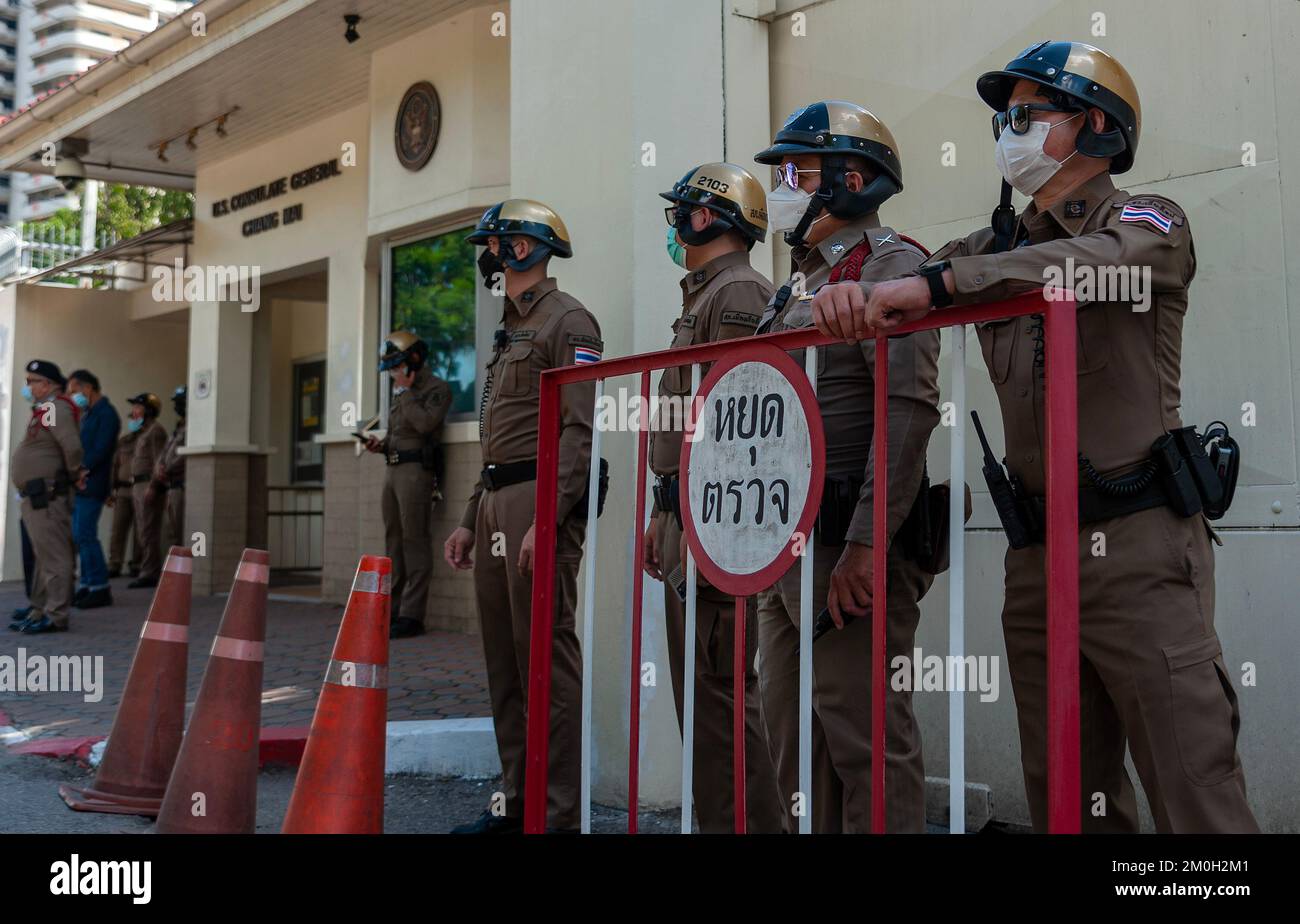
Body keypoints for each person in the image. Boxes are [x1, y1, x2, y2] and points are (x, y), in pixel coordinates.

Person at [810, 42, 1259, 833]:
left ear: (1094, 127)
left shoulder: (1148, 222)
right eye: (1000, 119)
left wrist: (938, 285)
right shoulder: (990, 249)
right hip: (1037, 558)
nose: (1004, 133)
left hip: (1140, 552)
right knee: (1067, 796)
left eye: (1024, 116)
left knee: (1196, 795)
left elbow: (1082, 263)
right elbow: (908, 280)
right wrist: (847, 295)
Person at [749, 101, 941, 833]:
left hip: (844, 545)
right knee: (793, 737)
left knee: (864, 738)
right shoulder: (795, 284)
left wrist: (865, 545)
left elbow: (909, 410)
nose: (783, 190)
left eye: (795, 173)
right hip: (784, 541)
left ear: (850, 180)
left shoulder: (892, 263)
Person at [444, 199, 600, 834]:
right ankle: (516, 802)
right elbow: (497, 437)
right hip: (496, 502)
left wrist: (549, 519)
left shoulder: (571, 323)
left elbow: (579, 434)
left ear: (529, 246)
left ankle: (557, 816)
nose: (492, 254)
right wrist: (466, 518)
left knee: (546, 662)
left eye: (502, 242)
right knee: (505, 663)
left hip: (540, 503)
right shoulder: (508, 326)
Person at [640, 162, 782, 833]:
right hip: (685, 516)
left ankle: (748, 826)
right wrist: (660, 510)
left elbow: (737, 425)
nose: (674, 224)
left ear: (707, 218)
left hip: (717, 522)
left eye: (682, 212)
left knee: (721, 692)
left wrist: (691, 517)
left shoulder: (739, 295)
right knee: (700, 696)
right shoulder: (702, 297)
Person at [364, 333, 452, 639]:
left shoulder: (435, 388)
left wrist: (406, 392)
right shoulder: (402, 392)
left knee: (414, 539)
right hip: (393, 468)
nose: (393, 373)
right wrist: (381, 444)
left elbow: (426, 424)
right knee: (394, 540)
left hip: (416, 471)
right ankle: (393, 610)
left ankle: (412, 615)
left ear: (413, 361)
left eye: (397, 366)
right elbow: (399, 433)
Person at [9, 360, 84, 634]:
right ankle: (41, 608)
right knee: (43, 557)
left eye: (32, 381)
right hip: (36, 496)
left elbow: (72, 447)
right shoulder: (44, 410)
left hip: (48, 496)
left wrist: (74, 474)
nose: (28, 386)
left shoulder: (55, 408)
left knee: (55, 557)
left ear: (48, 385)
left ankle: (56, 615)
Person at [66, 370, 121, 610]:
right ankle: (87, 584)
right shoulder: (88, 414)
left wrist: (82, 469)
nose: (72, 396)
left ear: (87, 388)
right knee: (80, 535)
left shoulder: (107, 414)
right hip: (81, 483)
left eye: (74, 391)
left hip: (93, 482)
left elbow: (102, 449)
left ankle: (100, 587)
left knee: (86, 534)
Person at [125, 393, 167, 590]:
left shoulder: (156, 431)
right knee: (142, 529)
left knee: (148, 530)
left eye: (137, 407)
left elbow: (159, 461)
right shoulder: (144, 432)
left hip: (147, 485)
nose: (133, 412)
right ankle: (145, 567)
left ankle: (150, 571)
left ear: (149, 410)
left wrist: (153, 486)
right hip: (137, 485)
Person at [106, 425, 141, 579]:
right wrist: (110, 488)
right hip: (123, 489)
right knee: (118, 529)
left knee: (141, 530)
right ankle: (115, 563)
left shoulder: (152, 436)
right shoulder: (124, 441)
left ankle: (137, 564)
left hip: (141, 487)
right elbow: (115, 464)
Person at [155, 386, 187, 549]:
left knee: (181, 532)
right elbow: (166, 451)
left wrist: (167, 469)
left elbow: (184, 456)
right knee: (170, 532)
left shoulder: (193, 427)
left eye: (181, 402)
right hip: (171, 486)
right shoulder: (178, 427)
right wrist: (160, 466)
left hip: (181, 485)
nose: (177, 406)